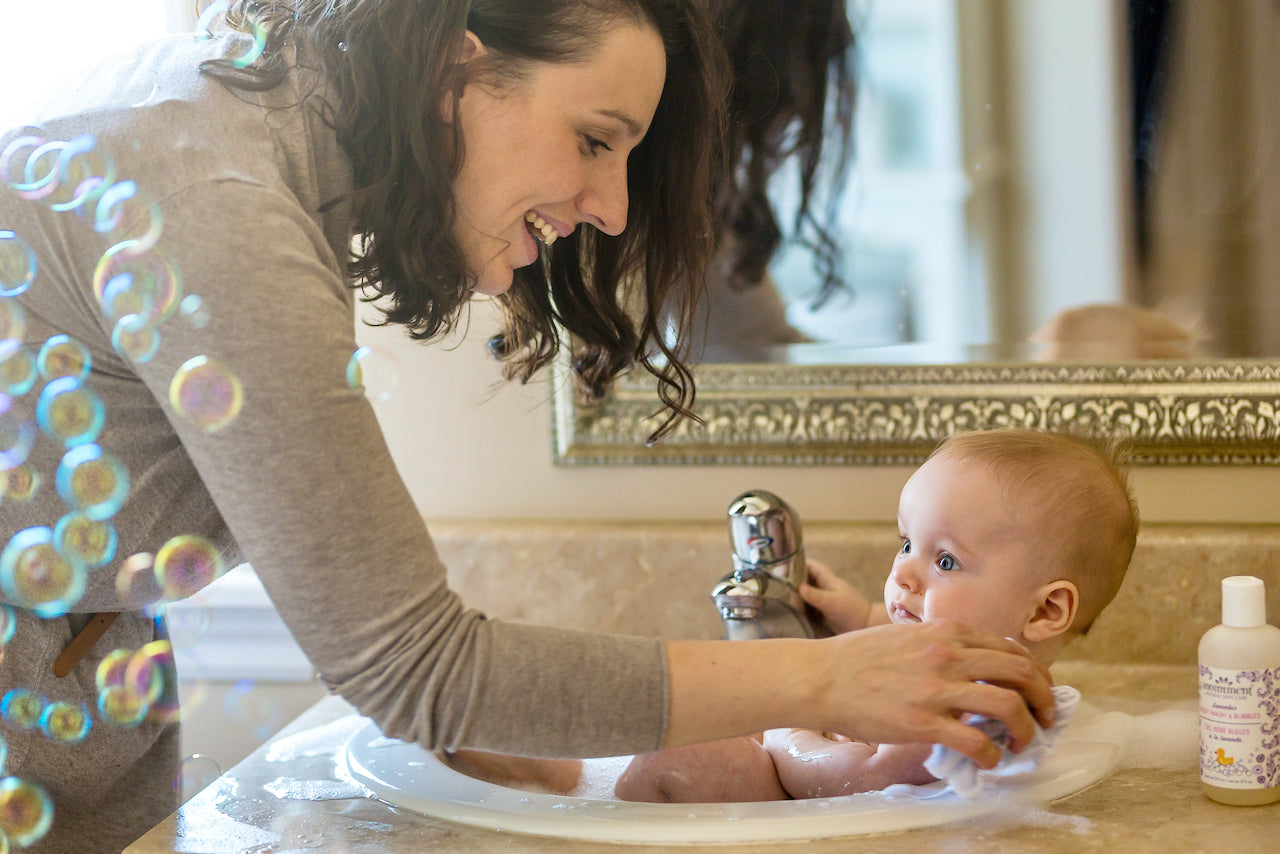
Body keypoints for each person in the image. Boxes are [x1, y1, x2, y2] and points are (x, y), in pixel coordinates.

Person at [0, 3, 1054, 850]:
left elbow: (363, 620)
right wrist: (832, 679)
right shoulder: (216, 198)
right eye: (596, 139)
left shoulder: (239, 131)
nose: (611, 207)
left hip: (82, 700)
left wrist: (507, 730)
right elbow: (413, 663)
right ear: (459, 69)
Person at [615, 428, 1139, 802]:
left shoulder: (972, 708)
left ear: (1046, 610)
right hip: (804, 794)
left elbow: (856, 781)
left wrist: (783, 731)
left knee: (678, 758)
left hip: (804, 807)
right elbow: (901, 646)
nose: (905, 574)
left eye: (946, 560)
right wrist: (857, 614)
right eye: (906, 541)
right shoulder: (969, 672)